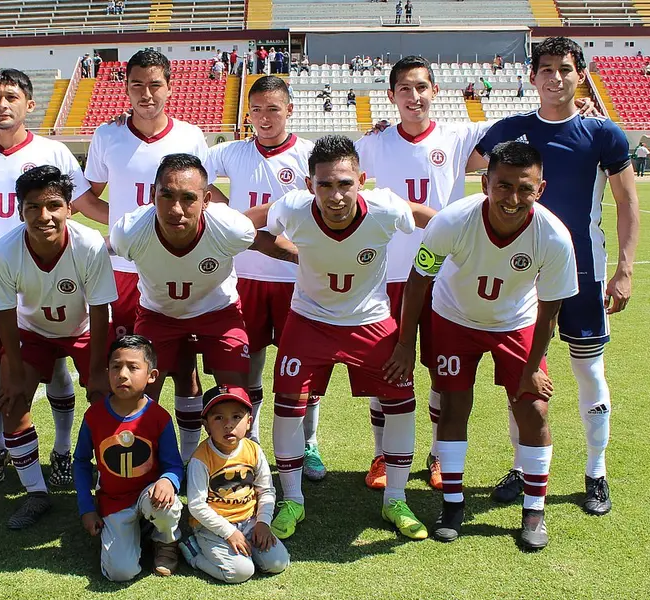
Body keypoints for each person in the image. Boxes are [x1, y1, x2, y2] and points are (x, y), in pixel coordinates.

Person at [472, 36, 640, 517]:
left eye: (565, 69)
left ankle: (596, 471)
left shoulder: (603, 133)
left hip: (583, 270)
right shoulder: (513, 131)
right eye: (546, 69)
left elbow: (627, 202)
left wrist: (625, 269)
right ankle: (523, 467)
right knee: (521, 377)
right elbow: (464, 162)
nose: (555, 77)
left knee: (589, 371)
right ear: (532, 78)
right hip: (521, 271)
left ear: (579, 75)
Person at [243, 135, 437, 541]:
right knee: (287, 405)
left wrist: (470, 234)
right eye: (325, 184)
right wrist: (288, 253)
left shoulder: (385, 208)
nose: (335, 195)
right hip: (309, 319)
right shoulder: (294, 207)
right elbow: (246, 227)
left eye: (345, 183)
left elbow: (433, 219)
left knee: (401, 404)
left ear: (361, 180)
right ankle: (292, 499)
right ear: (309, 184)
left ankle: (396, 499)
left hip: (371, 321)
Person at [389, 141, 579, 550]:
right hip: (455, 318)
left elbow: (549, 312)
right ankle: (453, 504)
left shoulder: (555, 237)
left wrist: (532, 366)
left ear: (540, 189)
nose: (513, 199)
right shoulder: (452, 221)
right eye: (503, 186)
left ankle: (534, 508)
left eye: (524, 189)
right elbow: (418, 280)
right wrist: (406, 343)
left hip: (517, 323)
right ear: (484, 183)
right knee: (455, 406)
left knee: (533, 407)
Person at [0, 68, 100, 490]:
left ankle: (63, 451)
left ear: (29, 105)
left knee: (59, 371)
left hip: (50, 275)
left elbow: (82, 203)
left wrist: (129, 231)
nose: (2, 104)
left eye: (11, 96)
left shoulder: (54, 151)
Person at [354, 56, 493, 492]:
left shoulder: (459, 135)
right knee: (386, 367)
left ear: (435, 91)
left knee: (440, 369)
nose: (414, 97)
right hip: (389, 273)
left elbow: (527, 128)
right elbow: (345, 181)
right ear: (392, 96)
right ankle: (382, 453)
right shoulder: (372, 144)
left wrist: (580, 110)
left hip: (443, 276)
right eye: (405, 89)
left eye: (422, 87)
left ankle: (436, 452)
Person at [83, 49, 211, 462]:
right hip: (123, 270)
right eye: (137, 84)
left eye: (155, 84)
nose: (146, 93)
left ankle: (188, 458)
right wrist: (124, 223)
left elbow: (201, 199)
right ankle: (136, 456)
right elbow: (87, 196)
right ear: (126, 88)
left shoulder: (190, 136)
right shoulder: (108, 135)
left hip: (176, 268)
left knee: (185, 367)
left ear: (171, 88)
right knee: (129, 372)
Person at [0, 166, 118, 529]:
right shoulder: (4, 251)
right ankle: (36, 493)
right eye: (33, 207)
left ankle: (111, 483)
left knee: (109, 400)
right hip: (32, 331)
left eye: (53, 205)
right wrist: (12, 371)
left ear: (69, 209)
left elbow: (100, 307)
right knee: (11, 402)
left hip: (83, 329)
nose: (43, 216)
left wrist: (95, 371)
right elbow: (4, 311)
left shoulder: (89, 243)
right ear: (20, 211)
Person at [109, 153, 259, 461]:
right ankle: (145, 462)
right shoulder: (130, 231)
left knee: (235, 394)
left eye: (188, 198)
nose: (176, 209)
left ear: (206, 200)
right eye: (166, 196)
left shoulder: (230, 228)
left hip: (218, 312)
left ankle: (239, 463)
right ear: (153, 195)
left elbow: (264, 241)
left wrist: (304, 256)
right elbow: (99, 251)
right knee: (138, 394)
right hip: (158, 315)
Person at [204, 75, 314, 472]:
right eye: (256, 110)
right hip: (243, 276)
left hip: (294, 279)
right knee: (246, 366)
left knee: (301, 366)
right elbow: (195, 178)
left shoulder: (308, 154)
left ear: (289, 110)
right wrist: (223, 210)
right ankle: (248, 443)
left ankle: (309, 442)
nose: (264, 118)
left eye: (273, 109)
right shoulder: (231, 152)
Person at [74, 335, 184, 581]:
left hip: (150, 495)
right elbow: (81, 462)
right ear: (108, 372)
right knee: (120, 573)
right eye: (116, 366)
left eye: (133, 367)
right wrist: (87, 508)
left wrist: (168, 480)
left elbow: (174, 465)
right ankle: (136, 529)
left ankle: (166, 541)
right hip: (114, 501)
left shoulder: (159, 417)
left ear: (151, 375)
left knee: (167, 505)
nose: (122, 374)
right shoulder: (94, 416)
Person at [179, 385, 289, 583]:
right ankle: (194, 551)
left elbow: (266, 490)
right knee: (241, 572)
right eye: (218, 418)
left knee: (278, 563)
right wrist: (229, 532)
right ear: (206, 425)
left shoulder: (253, 450)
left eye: (236, 417)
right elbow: (196, 505)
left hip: (249, 521)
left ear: (249, 422)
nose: (228, 425)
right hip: (212, 527)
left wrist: (263, 523)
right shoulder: (201, 459)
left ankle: (247, 549)